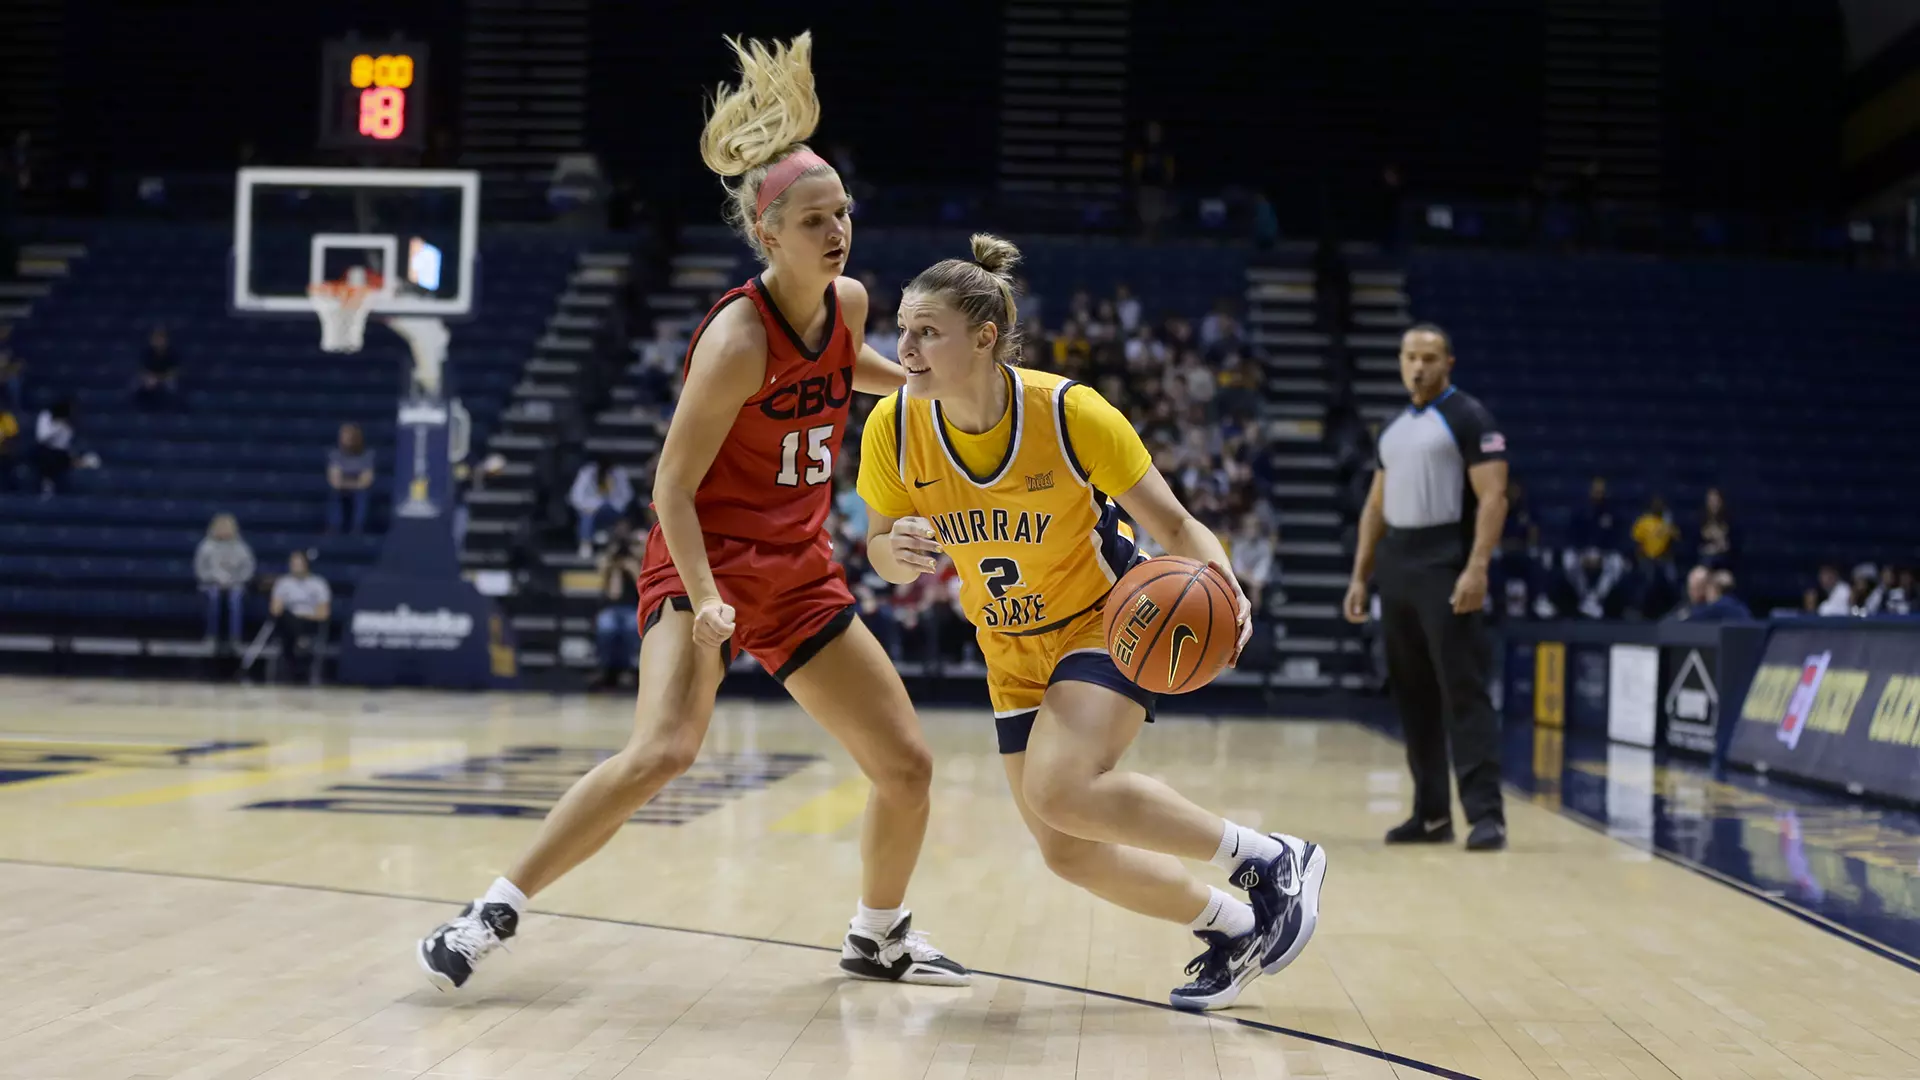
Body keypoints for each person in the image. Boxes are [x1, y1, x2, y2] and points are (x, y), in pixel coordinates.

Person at [416, 32, 969, 993]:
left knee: (907, 764)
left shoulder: (846, 304)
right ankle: (489, 913)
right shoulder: (736, 340)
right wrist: (707, 599)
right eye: (815, 219)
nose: (837, 230)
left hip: (797, 568)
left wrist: (928, 383)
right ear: (769, 234)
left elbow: (852, 370)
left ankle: (877, 936)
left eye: (843, 212)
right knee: (665, 749)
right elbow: (670, 488)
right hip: (701, 559)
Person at [856, 235, 1326, 1012]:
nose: (903, 348)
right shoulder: (893, 428)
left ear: (984, 337)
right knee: (1066, 849)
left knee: (1062, 787)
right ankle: (1237, 926)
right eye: (902, 328)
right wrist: (894, 553)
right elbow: (880, 549)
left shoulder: (1068, 413)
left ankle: (1269, 858)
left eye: (926, 331)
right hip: (1007, 648)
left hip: (1104, 621)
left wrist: (1226, 583)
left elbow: (1176, 525)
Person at [1343, 324, 1510, 852]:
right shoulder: (1393, 429)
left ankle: (1487, 815)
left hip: (1445, 561)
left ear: (1448, 363)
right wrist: (1360, 575)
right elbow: (1375, 506)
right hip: (1397, 564)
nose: (1418, 366)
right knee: (1412, 694)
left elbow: (1494, 498)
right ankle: (1432, 814)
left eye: (1429, 358)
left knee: (1463, 689)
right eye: (1410, 357)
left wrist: (1477, 567)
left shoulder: (1469, 417)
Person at [195, 513, 256, 646]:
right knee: (214, 596)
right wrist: (215, 578)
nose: (223, 531)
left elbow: (248, 569)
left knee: (235, 599)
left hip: (235, 584)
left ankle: (235, 638)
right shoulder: (205, 547)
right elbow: (200, 570)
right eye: (220, 527)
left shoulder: (241, 548)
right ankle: (211, 636)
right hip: (211, 584)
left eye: (226, 527)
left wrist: (234, 580)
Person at [269, 551, 331, 680]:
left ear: (306, 564)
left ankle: (300, 643)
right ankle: (300, 641)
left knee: (295, 624)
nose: (295, 566)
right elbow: (275, 610)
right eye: (293, 563)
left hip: (310, 622)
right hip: (286, 623)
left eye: (299, 563)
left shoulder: (318, 584)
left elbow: (323, 614)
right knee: (287, 619)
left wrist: (302, 616)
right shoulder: (283, 583)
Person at [567, 455, 633, 556]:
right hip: (592, 508)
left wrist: (618, 506)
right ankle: (586, 543)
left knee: (623, 518)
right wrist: (586, 507)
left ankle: (618, 546)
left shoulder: (619, 473)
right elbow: (575, 496)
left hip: (613, 509)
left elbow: (627, 495)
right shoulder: (587, 473)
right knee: (587, 516)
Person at [325, 423, 376, 534]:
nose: (346, 439)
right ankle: (334, 527)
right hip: (342, 490)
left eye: (349, 436)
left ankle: (358, 528)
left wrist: (346, 483)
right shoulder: (335, 455)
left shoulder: (367, 455)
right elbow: (335, 482)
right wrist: (355, 483)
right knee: (335, 493)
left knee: (363, 494)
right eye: (343, 436)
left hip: (359, 491)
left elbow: (366, 481)